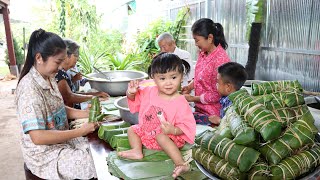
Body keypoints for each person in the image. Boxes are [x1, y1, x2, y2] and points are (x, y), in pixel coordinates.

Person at [15, 29, 98, 179]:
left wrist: (86, 114)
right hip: (44, 154)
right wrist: (80, 131)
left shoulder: (48, 76)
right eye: (58, 62)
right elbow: (38, 137)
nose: (61, 67)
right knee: (92, 163)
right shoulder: (29, 90)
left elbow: (58, 109)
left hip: (61, 140)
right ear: (39, 58)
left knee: (95, 149)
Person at [117, 53, 196, 178]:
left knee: (161, 136)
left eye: (173, 77)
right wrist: (130, 93)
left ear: (181, 77)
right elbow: (134, 99)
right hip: (148, 133)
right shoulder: (149, 91)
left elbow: (187, 125)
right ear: (153, 78)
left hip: (169, 137)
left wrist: (173, 129)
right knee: (132, 129)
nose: (168, 83)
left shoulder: (180, 101)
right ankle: (137, 151)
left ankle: (181, 164)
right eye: (162, 78)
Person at [181, 18, 230, 126]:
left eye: (197, 40)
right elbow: (200, 77)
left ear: (210, 38)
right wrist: (189, 87)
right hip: (199, 109)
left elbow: (218, 94)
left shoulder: (221, 60)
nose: (195, 44)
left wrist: (193, 98)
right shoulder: (203, 53)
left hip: (213, 115)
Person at [55, 38, 109, 108]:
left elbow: (72, 93)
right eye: (76, 57)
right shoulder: (59, 73)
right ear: (67, 55)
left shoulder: (63, 72)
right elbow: (69, 97)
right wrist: (92, 97)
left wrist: (95, 94)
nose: (75, 63)